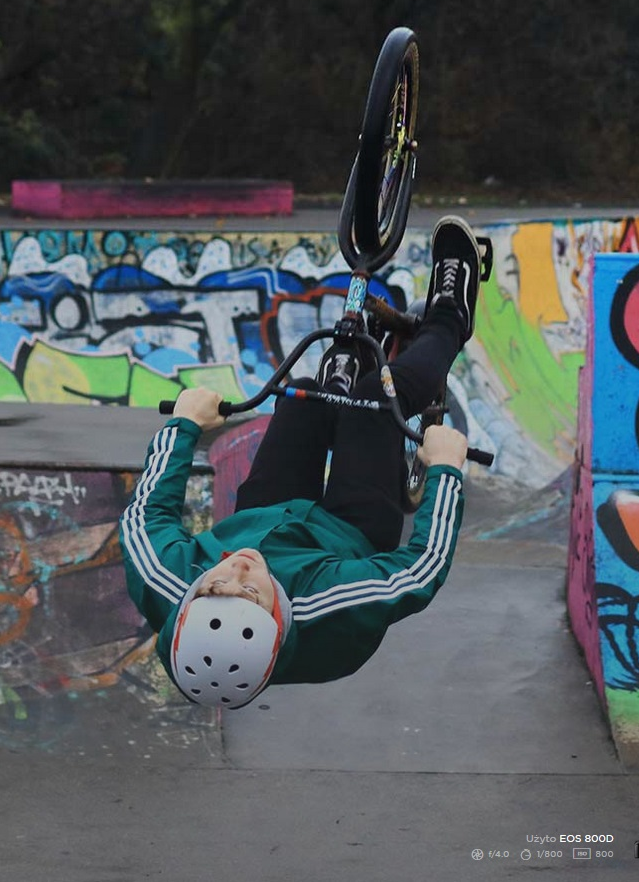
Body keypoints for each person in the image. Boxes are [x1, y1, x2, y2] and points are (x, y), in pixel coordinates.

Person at [119, 215, 481, 709]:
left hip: (262, 514)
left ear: (185, 605)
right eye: (250, 593)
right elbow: (420, 571)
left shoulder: (168, 583)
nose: (237, 570)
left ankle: (343, 378)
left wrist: (183, 424)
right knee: (376, 400)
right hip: (349, 537)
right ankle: (451, 316)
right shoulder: (330, 607)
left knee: (304, 395)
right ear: (277, 617)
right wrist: (445, 471)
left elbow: (145, 514)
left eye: (214, 585)